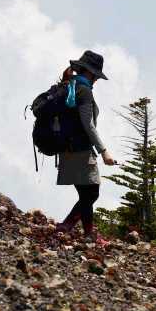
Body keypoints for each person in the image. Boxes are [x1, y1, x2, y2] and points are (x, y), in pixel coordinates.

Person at [55, 50, 115, 242]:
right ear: (89, 72)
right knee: (91, 192)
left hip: (65, 148)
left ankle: (86, 232)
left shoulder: (68, 86)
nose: (96, 80)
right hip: (80, 149)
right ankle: (71, 227)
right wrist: (104, 151)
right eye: (96, 75)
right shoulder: (84, 90)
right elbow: (87, 123)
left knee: (87, 193)